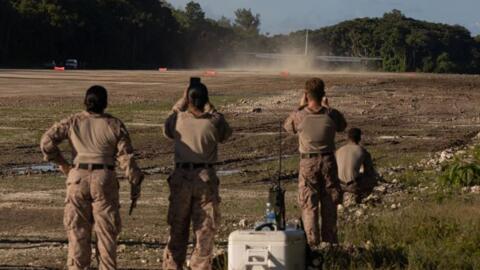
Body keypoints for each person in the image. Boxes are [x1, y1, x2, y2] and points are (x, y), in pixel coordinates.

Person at [40, 85, 143, 270]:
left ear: (85, 102)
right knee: (106, 234)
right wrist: (135, 183)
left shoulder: (73, 122)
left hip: (77, 178)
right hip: (104, 178)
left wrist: (64, 165)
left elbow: (46, 142)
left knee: (77, 233)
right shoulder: (114, 124)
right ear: (105, 103)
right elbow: (126, 159)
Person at [162, 79, 232, 270]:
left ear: (188, 100)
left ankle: (172, 266)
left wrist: (182, 101)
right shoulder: (215, 121)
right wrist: (210, 107)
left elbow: (168, 127)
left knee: (177, 229)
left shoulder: (177, 119)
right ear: (206, 99)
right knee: (204, 230)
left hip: (181, 177)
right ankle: (199, 266)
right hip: (205, 178)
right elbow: (226, 133)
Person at [284, 78, 347, 246]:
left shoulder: (300, 115)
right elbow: (342, 126)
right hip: (328, 160)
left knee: (309, 205)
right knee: (330, 205)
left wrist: (300, 106)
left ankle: (312, 245)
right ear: (323, 94)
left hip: (308, 162)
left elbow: (288, 127)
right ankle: (331, 244)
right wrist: (328, 106)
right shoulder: (331, 114)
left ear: (306, 95)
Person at [336, 128, 377, 205]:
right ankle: (360, 197)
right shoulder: (362, 151)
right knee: (373, 179)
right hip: (352, 186)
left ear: (347, 138)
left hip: (339, 185)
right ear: (359, 138)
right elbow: (369, 171)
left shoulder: (338, 150)